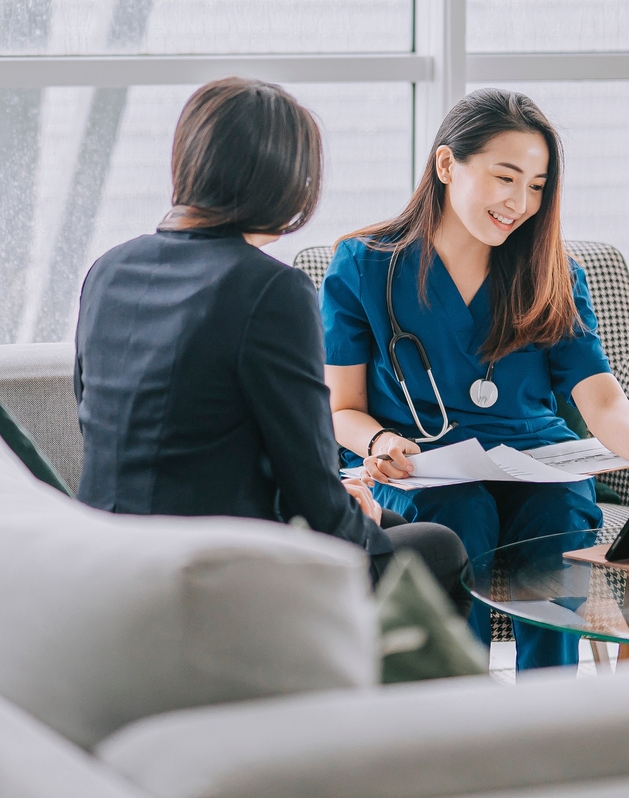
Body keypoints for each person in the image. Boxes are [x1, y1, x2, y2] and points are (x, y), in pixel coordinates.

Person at [73, 77, 471, 614]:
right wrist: (352, 519)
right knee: (440, 548)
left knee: (395, 525)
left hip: (106, 551)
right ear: (286, 181)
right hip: (216, 566)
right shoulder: (270, 290)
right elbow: (309, 481)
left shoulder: (108, 270)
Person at [322, 88, 629, 669]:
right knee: (461, 518)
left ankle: (547, 713)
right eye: (505, 177)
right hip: (423, 466)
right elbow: (343, 409)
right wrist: (379, 443)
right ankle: (458, 709)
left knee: (559, 516)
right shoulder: (364, 266)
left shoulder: (553, 273)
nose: (519, 202)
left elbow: (599, 394)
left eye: (536, 187)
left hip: (537, 460)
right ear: (445, 165)